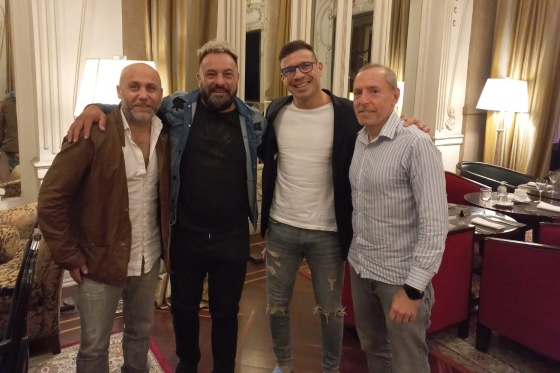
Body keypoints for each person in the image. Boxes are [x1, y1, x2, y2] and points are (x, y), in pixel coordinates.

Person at [68, 40, 266, 373]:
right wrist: (93, 107)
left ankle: (224, 368)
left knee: (226, 310)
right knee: (183, 308)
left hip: (232, 236)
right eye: (211, 74)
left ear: (236, 78)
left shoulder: (255, 122)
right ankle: (188, 364)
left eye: (227, 74)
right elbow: (134, 105)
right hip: (184, 233)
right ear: (199, 77)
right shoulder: (177, 107)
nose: (219, 81)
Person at [261, 40, 430, 373]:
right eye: (289, 70)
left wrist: (413, 126)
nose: (299, 75)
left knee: (330, 309)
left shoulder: (348, 113)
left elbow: (383, 126)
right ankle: (283, 364)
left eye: (305, 66)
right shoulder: (276, 111)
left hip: (329, 230)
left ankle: (330, 368)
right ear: (283, 77)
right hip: (281, 225)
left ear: (319, 67)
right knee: (276, 305)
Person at [38, 63, 171, 373]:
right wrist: (69, 255)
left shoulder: (167, 133)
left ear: (161, 95)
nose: (143, 95)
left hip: (148, 258)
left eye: (151, 88)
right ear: (119, 92)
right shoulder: (92, 133)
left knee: (140, 333)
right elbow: (51, 199)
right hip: (99, 262)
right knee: (94, 347)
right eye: (134, 87)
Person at [347, 64, 447, 373]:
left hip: (399, 278)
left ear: (395, 96)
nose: (363, 99)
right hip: (362, 268)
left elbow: (435, 225)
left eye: (374, 91)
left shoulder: (416, 143)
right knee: (374, 349)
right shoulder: (360, 139)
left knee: (408, 362)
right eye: (358, 92)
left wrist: (413, 290)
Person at [0, 91, 19, 182]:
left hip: (12, 146)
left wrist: (3, 141)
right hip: (35, 149)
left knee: (14, 181)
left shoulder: (8, 101)